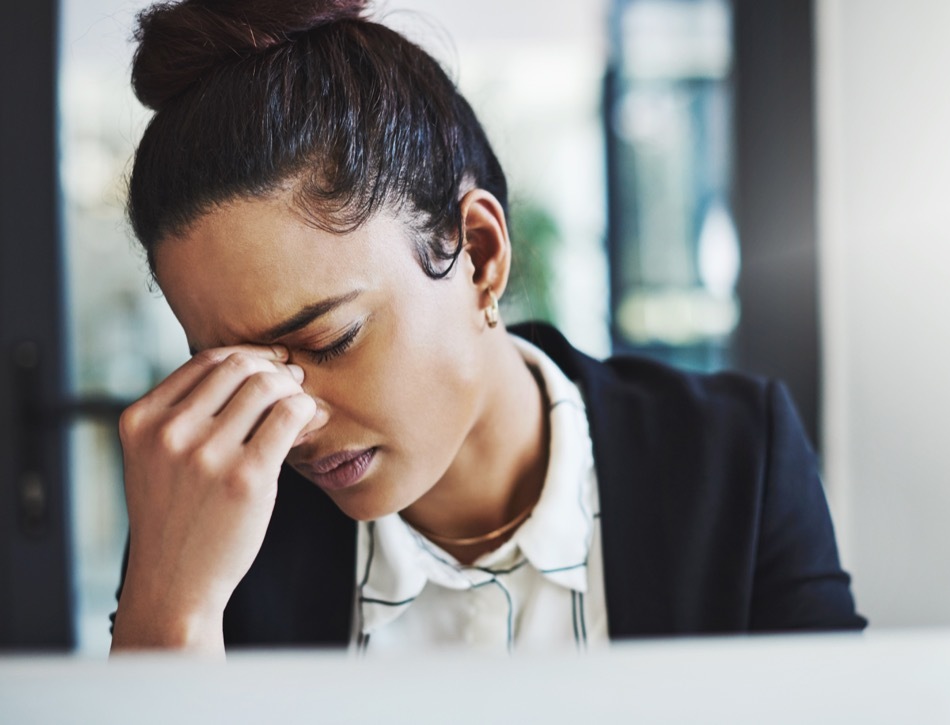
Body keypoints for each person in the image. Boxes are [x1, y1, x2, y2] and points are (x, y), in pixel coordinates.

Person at [110, 0, 866, 656]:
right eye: (231, 368)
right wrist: (169, 614)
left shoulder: (736, 460)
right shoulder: (217, 515)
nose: (292, 421)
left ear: (478, 253)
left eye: (329, 339)